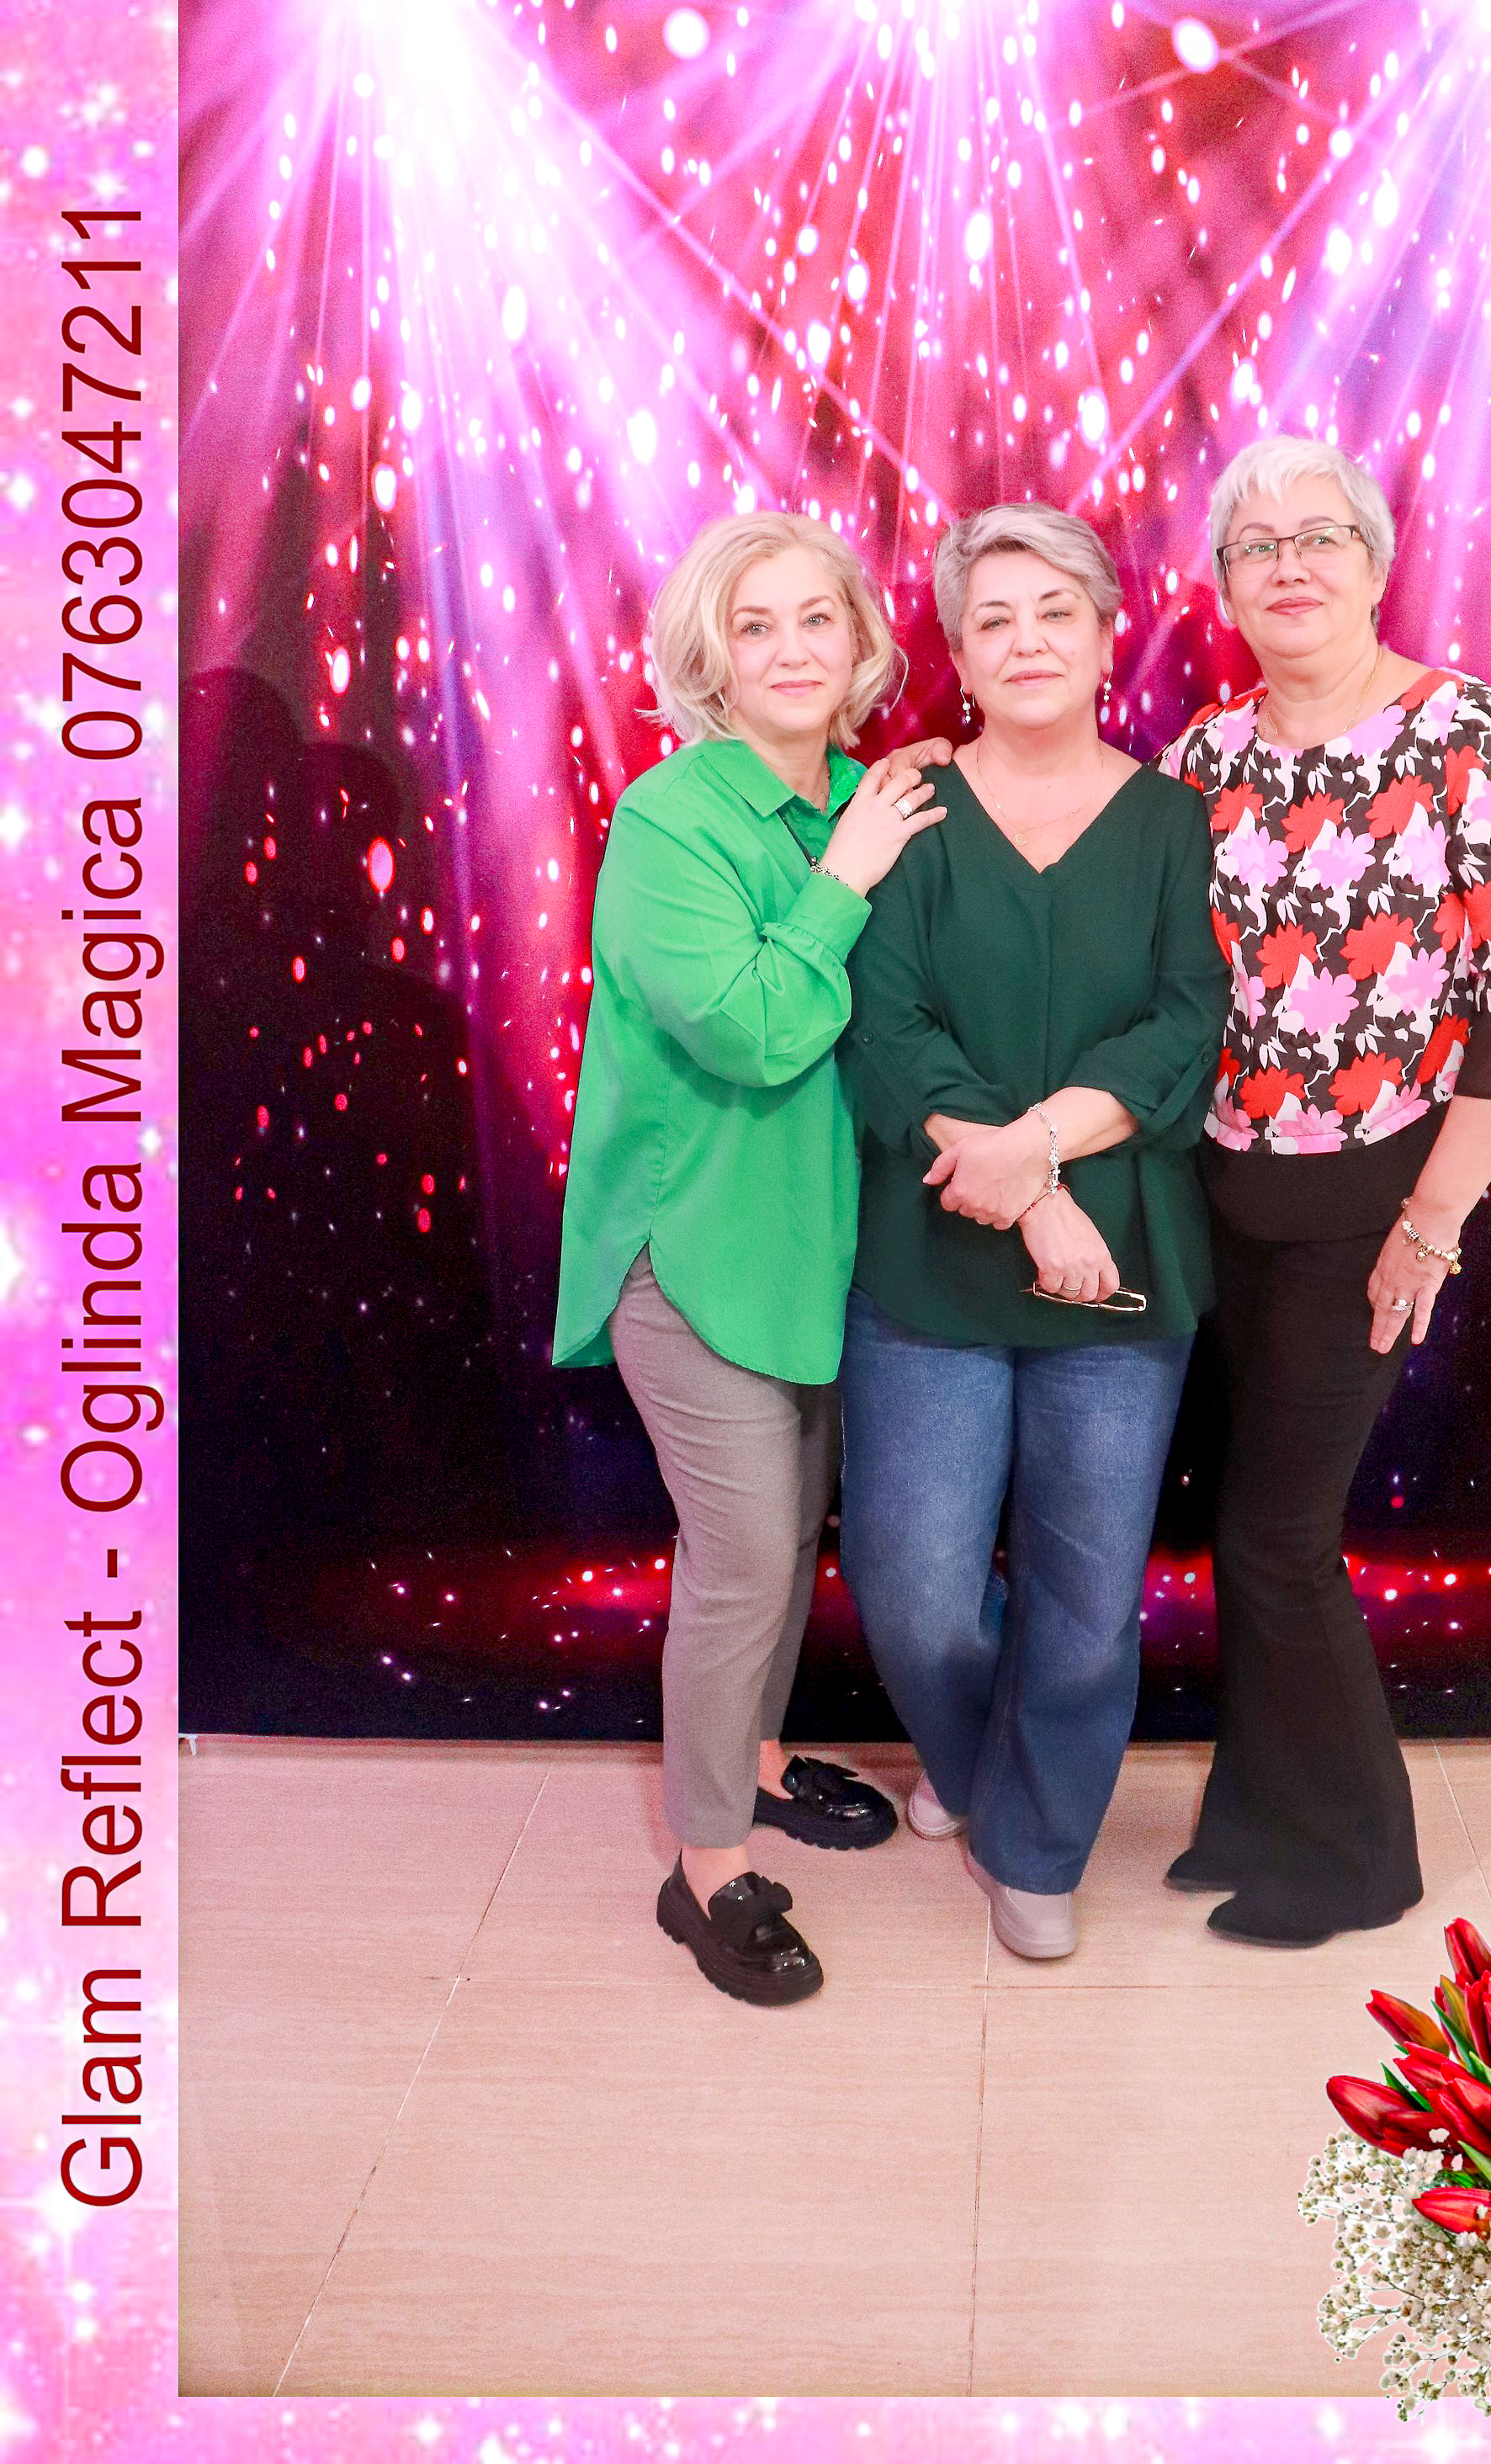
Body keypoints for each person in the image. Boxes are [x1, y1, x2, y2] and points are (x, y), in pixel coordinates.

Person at [1159, 435, 1491, 1947]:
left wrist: (1431, 1226)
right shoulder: (1205, 756)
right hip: (1220, 1192)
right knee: (1239, 1523)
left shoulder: (1464, 731)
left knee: (1280, 1533)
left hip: (1376, 1194)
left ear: (1376, 562)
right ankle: (1254, 1815)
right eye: (1256, 545)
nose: (1290, 565)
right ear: (1223, 586)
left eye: (1320, 536)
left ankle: (1357, 1859)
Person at [552, 513, 949, 2006]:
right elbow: (756, 1030)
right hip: (694, 1252)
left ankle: (763, 1757)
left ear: (861, 642)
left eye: (815, 619)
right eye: (755, 626)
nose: (791, 650)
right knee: (740, 1558)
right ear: (710, 661)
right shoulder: (671, 818)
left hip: (826, 1252)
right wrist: (846, 875)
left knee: (784, 1545)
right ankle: (706, 1864)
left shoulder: (870, 790)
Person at [836, 505, 1225, 1961]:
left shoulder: (1175, 821)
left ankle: (1036, 1841)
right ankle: (973, 1758)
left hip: (1120, 1271)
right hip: (936, 1245)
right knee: (916, 1586)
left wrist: (1047, 1149)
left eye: (1057, 611)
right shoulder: (909, 812)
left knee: (1086, 1594)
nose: (1028, 641)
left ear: (1110, 635)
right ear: (957, 653)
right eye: (993, 619)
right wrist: (1030, 1188)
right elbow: (886, 1028)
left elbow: (1185, 1025)